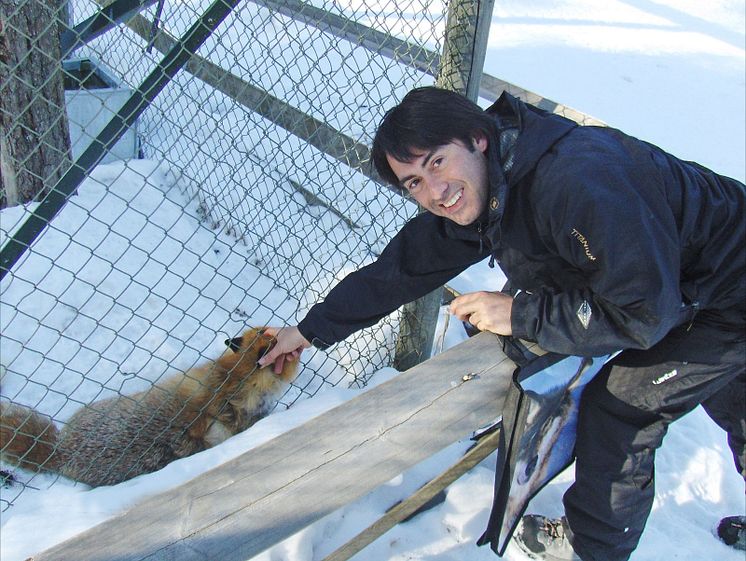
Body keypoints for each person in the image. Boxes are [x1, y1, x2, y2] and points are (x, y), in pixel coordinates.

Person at [257, 87, 746, 560]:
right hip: (689, 282)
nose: (435, 191)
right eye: (414, 183)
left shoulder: (573, 182)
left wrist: (520, 314)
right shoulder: (494, 184)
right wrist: (308, 330)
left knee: (623, 405)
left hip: (726, 296)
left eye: (436, 162)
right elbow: (403, 268)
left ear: (478, 138)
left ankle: (587, 550)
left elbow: (642, 314)